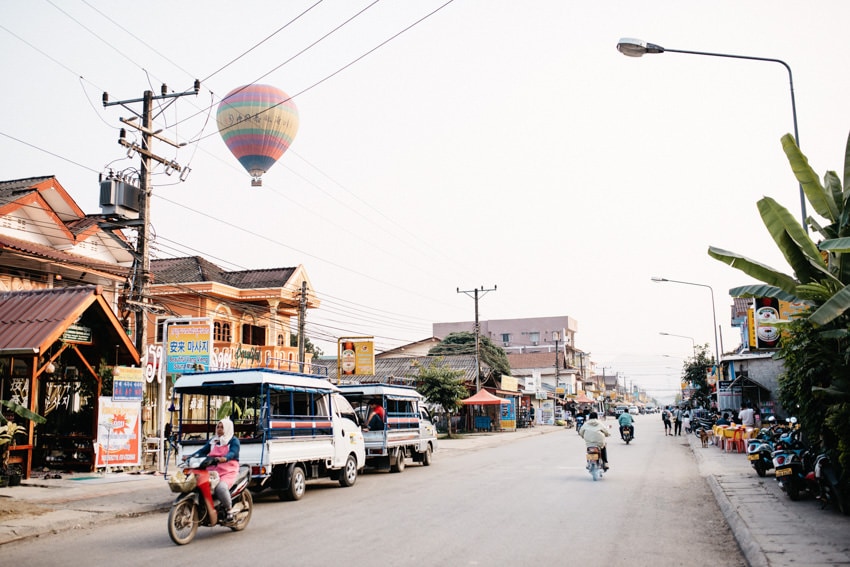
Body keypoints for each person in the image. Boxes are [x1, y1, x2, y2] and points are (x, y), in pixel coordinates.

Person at [188, 418, 240, 522]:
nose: (219, 429)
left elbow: (233, 452)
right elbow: (202, 451)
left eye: (222, 427)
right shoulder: (213, 440)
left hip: (228, 470)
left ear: (228, 429)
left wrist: (225, 458)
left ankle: (229, 509)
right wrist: (190, 456)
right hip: (212, 469)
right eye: (218, 427)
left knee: (220, 488)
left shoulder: (233, 441)